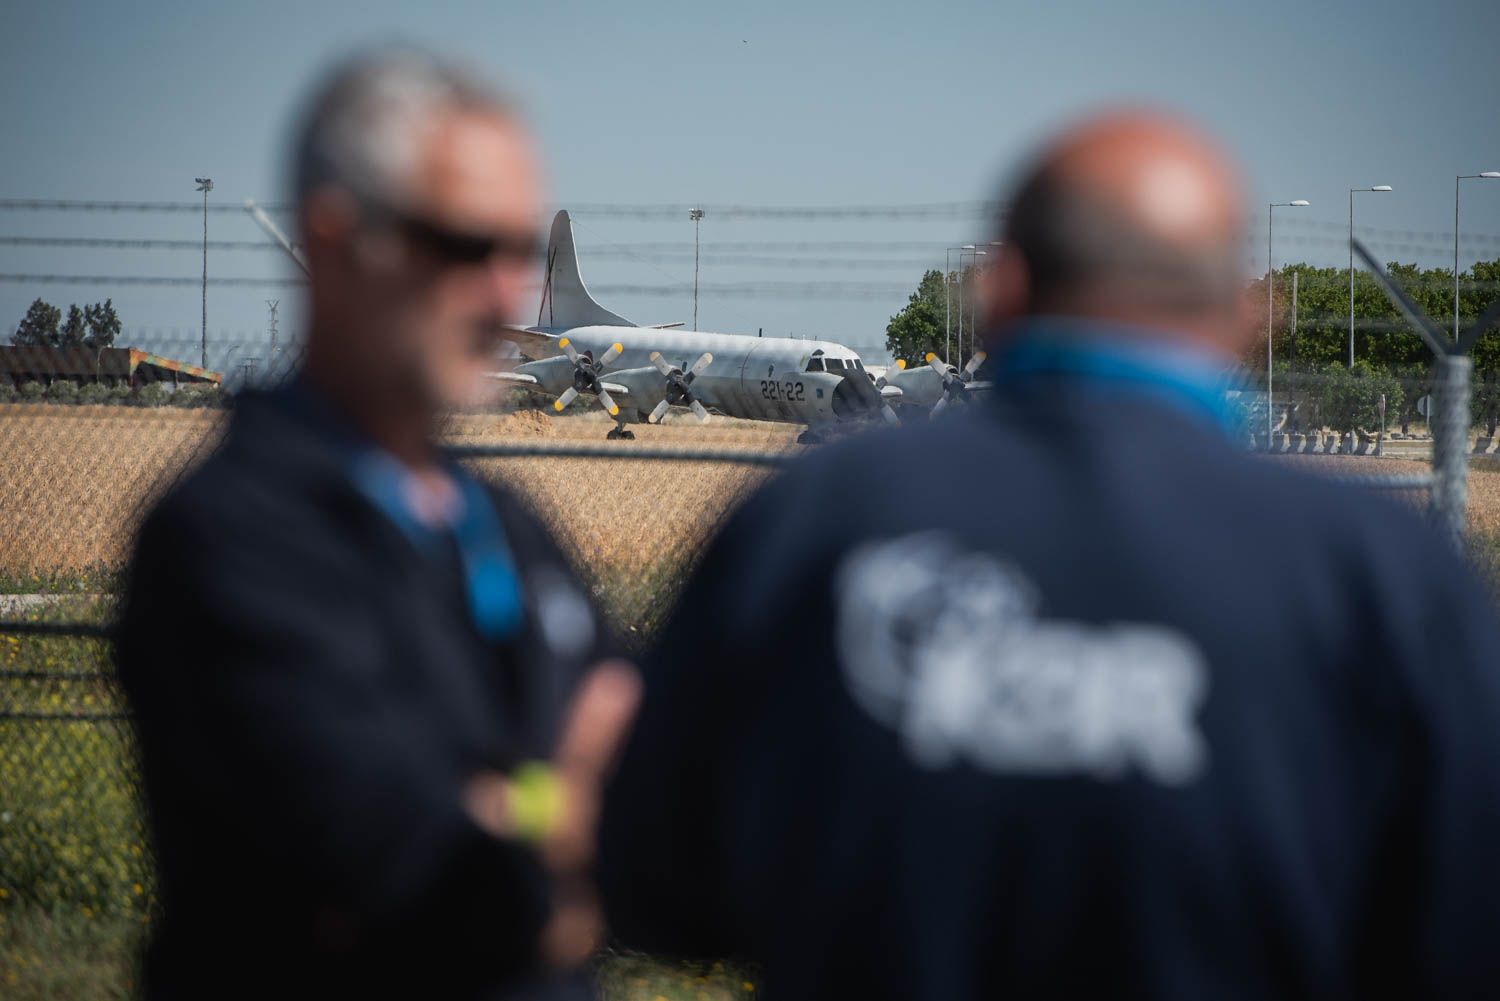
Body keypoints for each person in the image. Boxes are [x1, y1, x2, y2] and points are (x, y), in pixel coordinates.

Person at [599, 110, 1500, 999]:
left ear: (998, 293)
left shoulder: (815, 520)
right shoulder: (1382, 574)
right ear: (1249, 314)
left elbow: (662, 884)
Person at [118, 49, 638, 1001]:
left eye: (516, 251)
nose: (503, 296)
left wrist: (519, 817)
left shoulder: (511, 524)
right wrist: (568, 814)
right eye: (462, 247)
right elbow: (399, 855)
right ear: (334, 242)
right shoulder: (227, 537)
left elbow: (671, 832)